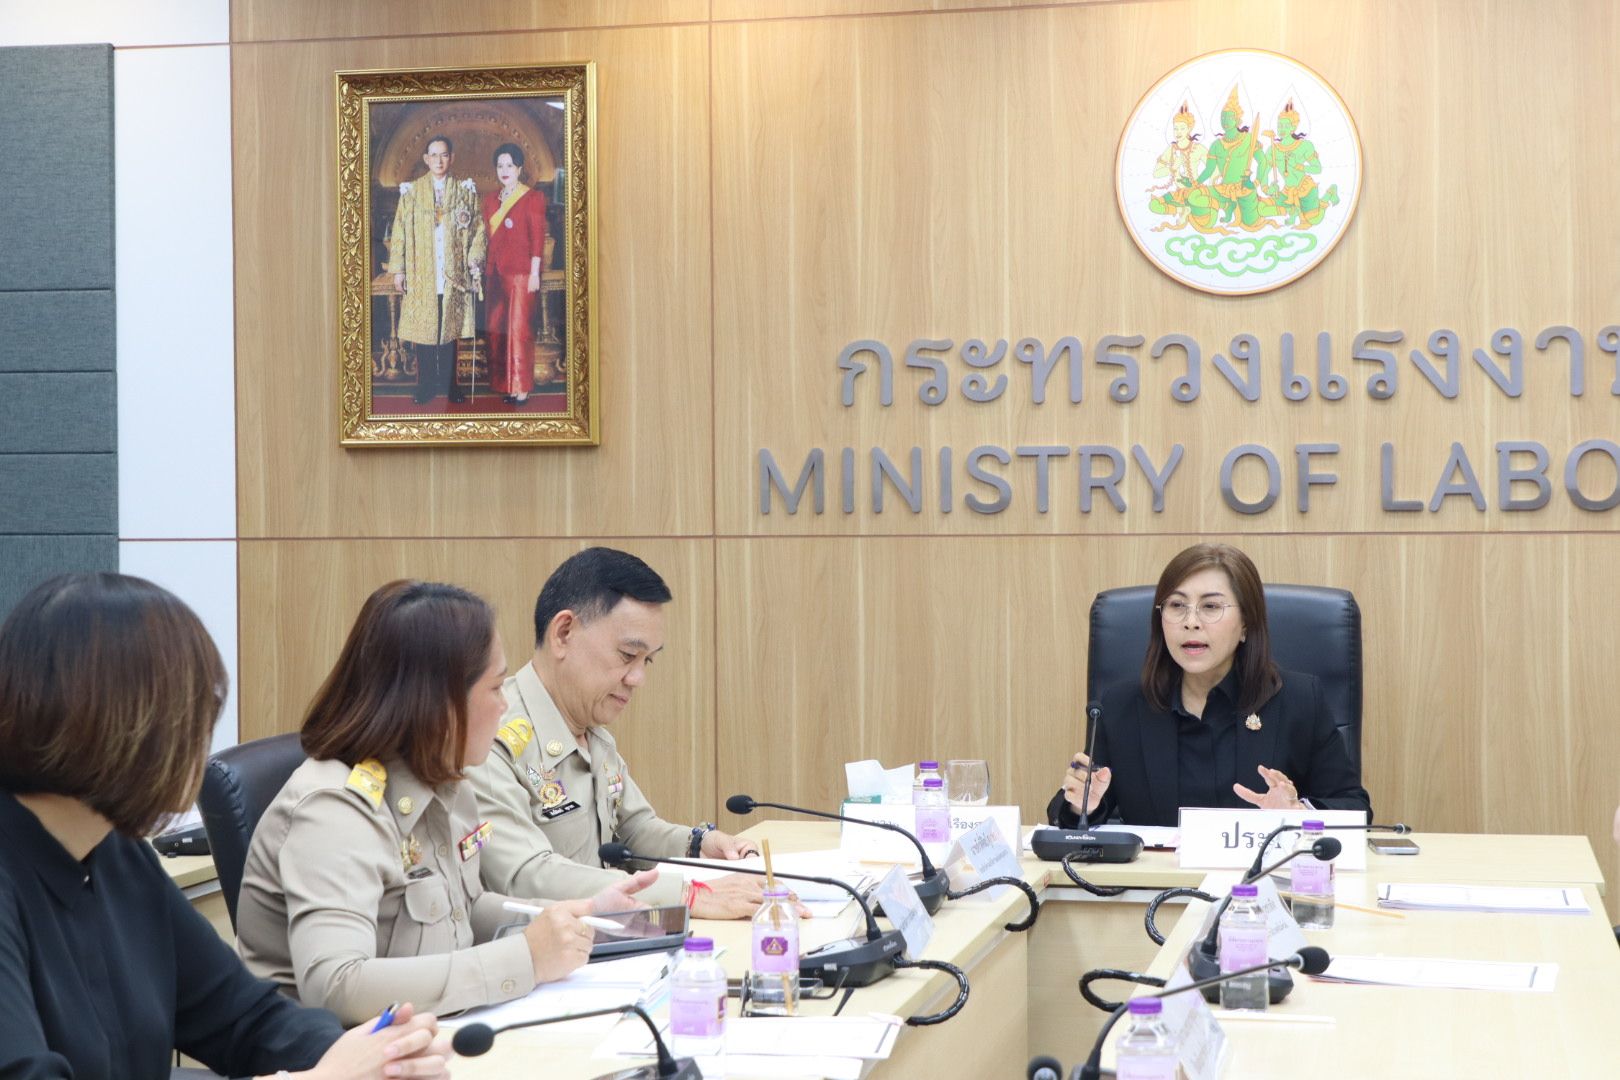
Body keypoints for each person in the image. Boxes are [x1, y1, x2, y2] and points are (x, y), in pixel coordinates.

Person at [0, 573, 450, 1080]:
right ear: (111, 726)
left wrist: (376, 1055)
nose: (199, 744)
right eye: (190, 719)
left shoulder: (115, 852)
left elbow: (244, 1018)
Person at [235, 580, 656, 1025]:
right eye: (495, 688)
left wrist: (576, 918)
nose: (505, 706)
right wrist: (526, 958)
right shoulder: (334, 809)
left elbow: (463, 911)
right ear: (439, 702)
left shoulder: (445, 782)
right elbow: (337, 985)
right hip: (335, 1052)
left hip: (426, 1035)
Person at [466, 547, 782, 920]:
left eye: (647, 660)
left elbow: (634, 830)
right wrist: (685, 894)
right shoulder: (490, 740)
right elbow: (526, 876)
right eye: (627, 655)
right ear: (563, 633)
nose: (638, 678)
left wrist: (699, 846)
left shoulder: (591, 731)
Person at [1048, 543, 1372, 829]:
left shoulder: (1299, 701)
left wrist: (1297, 812)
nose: (1191, 622)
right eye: (1177, 606)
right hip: (1158, 879)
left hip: (1262, 876)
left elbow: (1355, 809)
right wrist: (1082, 803)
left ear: (1246, 624)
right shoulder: (1122, 706)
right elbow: (1069, 811)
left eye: (1211, 606)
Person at [385, 134, 487, 405]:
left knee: (450, 331)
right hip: (422, 273)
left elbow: (478, 230)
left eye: (444, 155)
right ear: (426, 159)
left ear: (451, 158)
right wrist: (399, 270)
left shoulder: (464, 191)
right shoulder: (412, 193)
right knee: (425, 331)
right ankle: (426, 385)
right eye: (434, 155)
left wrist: (474, 260)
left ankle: (452, 385)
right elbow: (399, 232)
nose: (439, 160)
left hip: (453, 274)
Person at [481, 142, 547, 406]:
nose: (504, 170)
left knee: (518, 331)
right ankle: (505, 384)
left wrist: (535, 273)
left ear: (519, 168)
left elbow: (537, 238)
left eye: (510, 165)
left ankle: (521, 388)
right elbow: (486, 239)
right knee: (497, 330)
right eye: (500, 165)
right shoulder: (490, 200)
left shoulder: (532, 198)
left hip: (521, 274)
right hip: (494, 273)